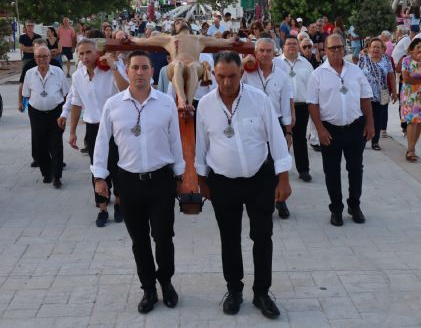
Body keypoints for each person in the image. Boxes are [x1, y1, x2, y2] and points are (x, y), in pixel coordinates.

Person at [195, 51, 292, 319]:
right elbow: (201, 145)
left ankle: (262, 292)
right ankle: (234, 290)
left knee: (262, 236)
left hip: (260, 179)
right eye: (221, 76)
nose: (227, 83)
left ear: (241, 74)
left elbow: (276, 139)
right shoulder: (204, 105)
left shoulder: (259, 100)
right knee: (229, 238)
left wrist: (283, 178)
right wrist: (201, 180)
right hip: (222, 182)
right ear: (213, 75)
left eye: (232, 76)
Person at [92, 50, 184, 314]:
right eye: (135, 68)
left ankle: (165, 281)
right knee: (139, 240)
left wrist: (181, 174)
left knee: (164, 237)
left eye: (145, 67)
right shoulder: (114, 104)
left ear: (152, 72)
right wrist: (100, 177)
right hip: (129, 182)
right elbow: (101, 143)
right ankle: (148, 288)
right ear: (127, 71)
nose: (140, 72)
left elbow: (175, 141)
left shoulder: (166, 102)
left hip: (161, 180)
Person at [307, 34, 374, 227]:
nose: (337, 51)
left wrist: (370, 124)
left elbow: (365, 98)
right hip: (330, 131)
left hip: (354, 128)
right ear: (325, 50)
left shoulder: (355, 71)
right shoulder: (317, 74)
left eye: (339, 47)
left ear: (344, 49)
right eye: (332, 48)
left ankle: (354, 205)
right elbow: (312, 104)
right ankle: (336, 209)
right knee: (332, 172)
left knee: (355, 169)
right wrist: (319, 130)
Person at [59, 39, 125, 227]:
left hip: (116, 126)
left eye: (88, 52)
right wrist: (72, 132)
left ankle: (120, 204)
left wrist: (114, 67)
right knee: (97, 168)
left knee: (118, 166)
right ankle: (102, 208)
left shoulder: (110, 68)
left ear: (97, 53)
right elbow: (76, 102)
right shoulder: (78, 76)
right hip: (93, 127)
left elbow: (125, 89)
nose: (85, 57)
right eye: (81, 53)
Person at [127, 20, 238, 116]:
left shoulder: (198, 39)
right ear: (175, 28)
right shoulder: (170, 39)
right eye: (177, 22)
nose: (181, 22)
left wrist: (231, 40)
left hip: (195, 68)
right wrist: (132, 38)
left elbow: (219, 42)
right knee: (178, 64)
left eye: (183, 21)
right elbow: (145, 41)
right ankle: (181, 100)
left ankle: (189, 103)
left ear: (188, 25)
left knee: (193, 66)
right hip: (175, 67)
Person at [242, 38, 293, 219]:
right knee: (257, 164)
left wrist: (288, 131)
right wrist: (243, 63)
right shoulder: (247, 73)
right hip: (252, 123)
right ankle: (261, 200)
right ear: (255, 53)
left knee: (276, 162)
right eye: (261, 51)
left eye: (268, 51)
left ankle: (280, 200)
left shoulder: (282, 75)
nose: (264, 54)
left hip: (276, 122)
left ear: (274, 53)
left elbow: (286, 105)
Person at [22, 46, 69, 188]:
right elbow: (26, 93)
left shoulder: (58, 72)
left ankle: (57, 176)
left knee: (56, 144)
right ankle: (46, 173)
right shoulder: (30, 73)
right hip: (36, 113)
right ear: (35, 58)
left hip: (56, 112)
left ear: (50, 57)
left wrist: (65, 113)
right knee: (39, 145)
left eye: (45, 56)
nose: (42, 59)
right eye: (38, 57)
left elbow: (66, 94)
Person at [280, 37, 314, 182]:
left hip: (301, 106)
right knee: (280, 140)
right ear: (283, 47)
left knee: (300, 139)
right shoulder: (276, 63)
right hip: (281, 107)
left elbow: (312, 87)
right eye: (288, 44)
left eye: (295, 44)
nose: (292, 46)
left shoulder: (306, 64)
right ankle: (280, 172)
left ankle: (303, 169)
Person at [400, 38, 421, 162]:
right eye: (418, 47)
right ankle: (410, 149)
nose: (420, 50)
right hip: (410, 96)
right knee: (412, 121)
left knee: (420, 121)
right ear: (412, 49)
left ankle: (412, 147)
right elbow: (406, 79)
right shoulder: (406, 60)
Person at [357, 38, 397, 150]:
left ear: (383, 49)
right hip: (365, 95)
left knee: (378, 119)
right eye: (373, 46)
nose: (375, 49)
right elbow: (356, 75)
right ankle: (363, 140)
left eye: (378, 47)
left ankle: (375, 142)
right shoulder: (363, 58)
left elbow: (391, 76)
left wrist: (394, 92)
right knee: (364, 118)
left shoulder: (386, 59)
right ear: (369, 48)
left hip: (381, 94)